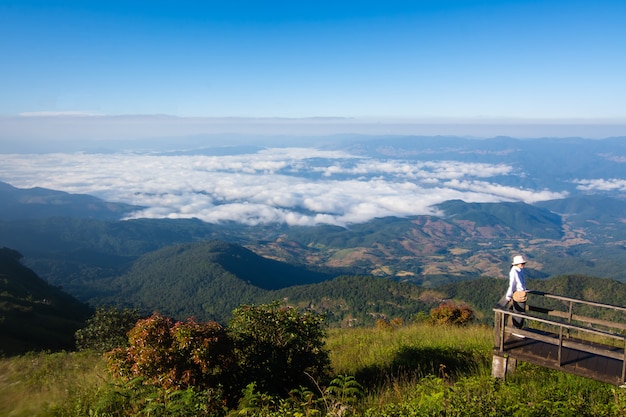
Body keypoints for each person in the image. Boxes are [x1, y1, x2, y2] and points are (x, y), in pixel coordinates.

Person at [505, 255, 527, 332]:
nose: (523, 265)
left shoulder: (519, 270)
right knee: (519, 312)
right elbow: (512, 284)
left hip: (521, 293)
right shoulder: (514, 271)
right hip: (518, 294)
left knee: (520, 312)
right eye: (522, 263)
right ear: (518, 264)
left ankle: (518, 329)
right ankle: (516, 329)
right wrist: (508, 296)